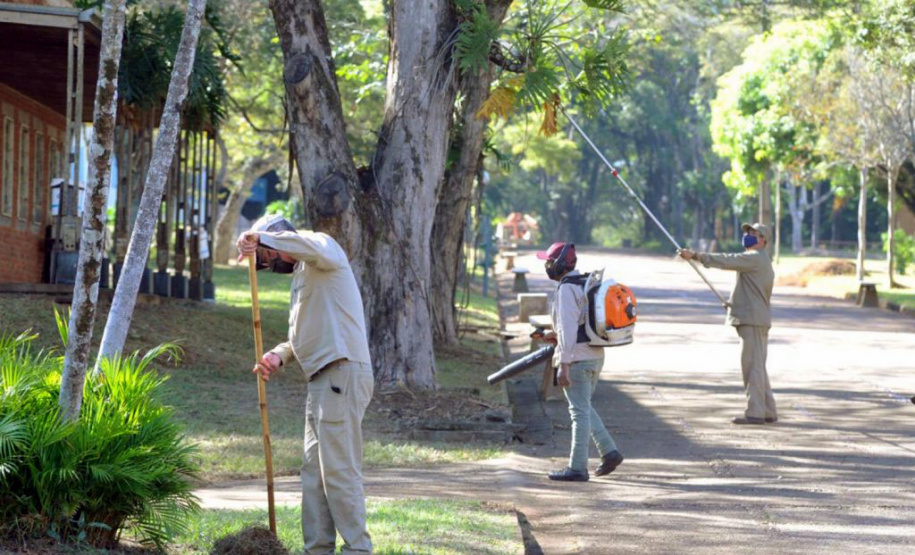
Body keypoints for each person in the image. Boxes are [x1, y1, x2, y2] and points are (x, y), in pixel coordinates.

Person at [236, 214, 374, 554]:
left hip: (341, 374)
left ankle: (358, 549)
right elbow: (305, 333)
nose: (270, 263)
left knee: (339, 473)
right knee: (314, 477)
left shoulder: (323, 249)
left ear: (277, 240)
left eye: (268, 255)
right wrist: (279, 355)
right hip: (321, 381)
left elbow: (304, 244)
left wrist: (257, 236)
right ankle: (317, 550)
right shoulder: (303, 276)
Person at [535, 242, 624, 482]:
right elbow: (577, 325)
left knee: (579, 413)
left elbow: (567, 329)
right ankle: (610, 452)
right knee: (583, 408)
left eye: (549, 262)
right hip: (594, 356)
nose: (547, 266)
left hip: (578, 360)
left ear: (560, 264)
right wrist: (552, 336)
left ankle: (577, 467)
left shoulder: (566, 290)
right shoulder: (586, 283)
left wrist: (563, 364)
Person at [679, 222, 777, 425]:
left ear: (763, 240)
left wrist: (697, 256)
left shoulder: (754, 258)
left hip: (753, 320)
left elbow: (726, 260)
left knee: (752, 366)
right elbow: (750, 292)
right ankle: (767, 410)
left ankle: (755, 412)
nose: (749, 236)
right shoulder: (759, 260)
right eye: (748, 232)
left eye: (754, 234)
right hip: (754, 318)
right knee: (757, 365)